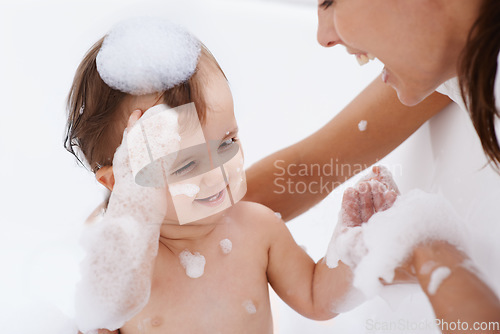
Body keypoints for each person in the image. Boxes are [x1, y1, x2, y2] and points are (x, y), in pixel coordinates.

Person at [66, 19, 408, 334]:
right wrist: (133, 214)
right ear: (120, 182)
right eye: (187, 165)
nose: (217, 175)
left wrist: (354, 246)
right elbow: (99, 316)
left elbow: (318, 298)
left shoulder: (258, 228)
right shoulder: (127, 268)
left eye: (227, 143)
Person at [244, 0, 500, 331]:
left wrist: (430, 254)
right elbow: (309, 168)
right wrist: (171, 226)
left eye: (330, 2)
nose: (324, 35)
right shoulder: (461, 61)